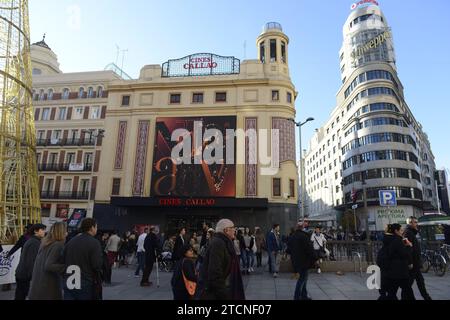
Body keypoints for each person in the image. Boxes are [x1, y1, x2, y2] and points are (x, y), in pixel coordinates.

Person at [197, 219, 245, 300]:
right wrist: (224, 295)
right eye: (233, 228)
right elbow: (215, 273)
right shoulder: (218, 243)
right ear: (226, 230)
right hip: (214, 294)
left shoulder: (225, 242)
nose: (235, 230)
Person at [63, 218, 103, 300]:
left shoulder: (71, 241)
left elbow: (63, 258)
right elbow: (96, 265)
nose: (96, 229)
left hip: (69, 281)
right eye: (96, 227)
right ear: (92, 228)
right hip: (84, 282)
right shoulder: (94, 243)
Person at [29, 222, 67, 300]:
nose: (67, 233)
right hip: (48, 287)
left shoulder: (45, 243)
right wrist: (65, 267)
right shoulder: (58, 245)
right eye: (65, 230)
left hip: (38, 285)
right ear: (61, 231)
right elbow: (49, 265)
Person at [14, 224, 46, 300]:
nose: (44, 232)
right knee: (22, 295)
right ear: (35, 231)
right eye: (42, 230)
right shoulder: (35, 242)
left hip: (22, 273)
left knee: (20, 295)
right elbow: (31, 261)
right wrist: (34, 277)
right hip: (25, 275)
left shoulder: (32, 240)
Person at [403, 216, 432, 300]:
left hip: (415, 263)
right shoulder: (408, 233)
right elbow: (407, 249)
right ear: (410, 223)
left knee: (420, 282)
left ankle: (427, 297)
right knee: (408, 285)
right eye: (414, 222)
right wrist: (410, 262)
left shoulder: (411, 232)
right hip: (413, 264)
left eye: (416, 222)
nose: (416, 223)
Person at [384, 223, 413, 300]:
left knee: (392, 293)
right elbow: (404, 254)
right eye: (401, 230)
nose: (402, 231)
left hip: (393, 271)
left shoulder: (391, 240)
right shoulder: (397, 241)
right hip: (400, 271)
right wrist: (409, 246)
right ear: (396, 231)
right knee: (408, 292)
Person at [289, 219, 315, 300]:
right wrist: (315, 258)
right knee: (302, 279)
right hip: (304, 261)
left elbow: (289, 248)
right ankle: (297, 297)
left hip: (296, 261)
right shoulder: (304, 236)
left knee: (304, 278)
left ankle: (304, 295)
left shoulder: (293, 236)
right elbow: (310, 249)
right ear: (302, 227)